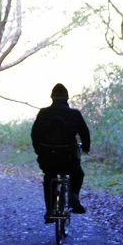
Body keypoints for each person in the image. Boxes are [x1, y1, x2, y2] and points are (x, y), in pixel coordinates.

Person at [31, 83, 91, 222]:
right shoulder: (74, 114)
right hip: (69, 159)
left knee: (48, 178)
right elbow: (84, 133)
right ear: (67, 98)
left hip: (48, 159)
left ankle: (50, 210)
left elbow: (35, 134)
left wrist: (38, 150)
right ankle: (74, 197)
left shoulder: (43, 113)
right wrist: (86, 148)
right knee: (78, 173)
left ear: (52, 98)